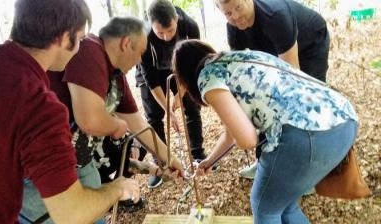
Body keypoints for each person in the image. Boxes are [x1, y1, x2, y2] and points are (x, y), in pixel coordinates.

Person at [0, 0, 142, 223]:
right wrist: (117, 187)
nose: (80, 49)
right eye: (80, 39)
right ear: (64, 38)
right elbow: (72, 213)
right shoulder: (39, 108)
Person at [172, 39, 358, 224]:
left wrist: (243, 134)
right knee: (284, 204)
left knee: (264, 208)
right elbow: (230, 134)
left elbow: (248, 140)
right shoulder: (238, 57)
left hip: (307, 134)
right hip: (342, 120)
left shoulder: (207, 77)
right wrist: (209, 162)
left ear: (186, 79)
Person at [19, 17, 184, 223]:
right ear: (125, 43)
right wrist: (117, 125)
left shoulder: (117, 77)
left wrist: (170, 159)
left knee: (95, 213)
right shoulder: (89, 49)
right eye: (140, 52)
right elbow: (88, 119)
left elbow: (139, 124)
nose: (140, 61)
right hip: (41, 165)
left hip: (81, 162)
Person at [215, 0, 331, 178]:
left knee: (306, 102)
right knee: (257, 99)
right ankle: (265, 162)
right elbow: (241, 74)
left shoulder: (275, 15)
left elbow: (291, 80)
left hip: (309, 43)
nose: (235, 17)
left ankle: (311, 170)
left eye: (238, 7)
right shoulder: (233, 29)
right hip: (273, 47)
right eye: (228, 13)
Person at [135, 0, 217, 189]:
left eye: (170, 31)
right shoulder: (143, 35)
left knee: (192, 107)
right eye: (160, 33)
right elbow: (151, 81)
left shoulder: (190, 26)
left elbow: (193, 64)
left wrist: (179, 95)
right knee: (154, 118)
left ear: (176, 20)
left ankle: (197, 154)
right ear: (150, 24)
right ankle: (161, 163)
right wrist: (169, 111)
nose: (165, 37)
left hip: (181, 67)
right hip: (152, 75)